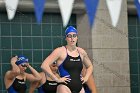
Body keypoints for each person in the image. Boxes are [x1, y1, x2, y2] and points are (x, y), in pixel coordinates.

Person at [41, 26, 93, 93]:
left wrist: (86, 78)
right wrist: (56, 79)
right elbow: (44, 65)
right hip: (64, 87)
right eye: (69, 36)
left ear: (77, 37)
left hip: (80, 87)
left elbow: (90, 66)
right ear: (66, 38)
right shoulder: (60, 51)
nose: (72, 38)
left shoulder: (81, 52)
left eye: (74, 35)